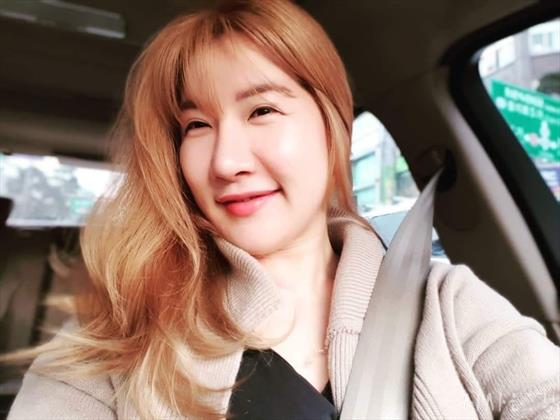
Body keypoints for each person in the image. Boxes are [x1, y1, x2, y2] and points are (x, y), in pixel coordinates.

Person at [4, 0, 559, 419]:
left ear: (332, 127)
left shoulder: (449, 306)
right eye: (196, 125)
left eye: (262, 110)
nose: (225, 161)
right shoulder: (118, 333)